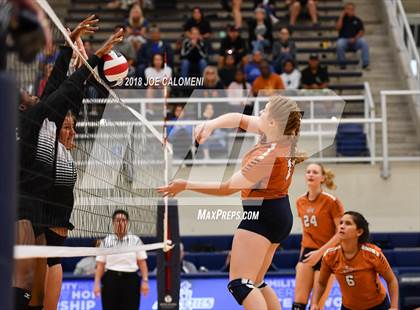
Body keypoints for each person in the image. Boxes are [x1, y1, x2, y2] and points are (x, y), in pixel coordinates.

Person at [14, 16, 121, 310]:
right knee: (23, 281)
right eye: (29, 94)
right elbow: (63, 93)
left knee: (34, 284)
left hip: (35, 205)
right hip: (22, 205)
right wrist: (95, 60)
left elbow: (54, 88)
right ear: (22, 106)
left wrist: (67, 47)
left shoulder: (37, 118)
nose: (34, 93)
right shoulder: (31, 120)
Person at [159, 95, 303, 309]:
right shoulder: (281, 135)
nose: (260, 112)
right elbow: (239, 119)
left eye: (264, 110)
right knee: (256, 282)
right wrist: (212, 124)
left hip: (263, 216)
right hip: (279, 213)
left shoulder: (267, 157)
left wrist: (185, 184)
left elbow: (227, 188)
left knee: (240, 284)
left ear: (273, 122)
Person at [310, 211, 399, 310]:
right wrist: (314, 303)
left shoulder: (372, 254)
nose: (342, 226)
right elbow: (321, 283)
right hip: (349, 307)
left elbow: (391, 280)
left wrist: (394, 307)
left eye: (348, 223)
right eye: (341, 223)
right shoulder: (330, 256)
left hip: (377, 306)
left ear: (359, 232)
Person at [293, 163, 344, 310]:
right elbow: (306, 232)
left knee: (316, 306)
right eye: (308, 172)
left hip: (328, 254)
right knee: (298, 304)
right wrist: (300, 259)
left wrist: (319, 253)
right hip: (308, 252)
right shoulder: (300, 201)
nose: (310, 174)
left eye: (315, 172)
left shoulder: (331, 201)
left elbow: (340, 233)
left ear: (322, 178)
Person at [94, 210, 149, 310]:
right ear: (113, 222)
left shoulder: (135, 240)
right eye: (118, 220)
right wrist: (96, 283)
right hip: (111, 279)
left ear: (127, 222)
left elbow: (142, 263)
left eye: (123, 220)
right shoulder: (106, 241)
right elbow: (100, 265)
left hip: (131, 279)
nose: (120, 223)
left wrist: (145, 281)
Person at [336, 2, 369, 70]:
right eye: (348, 9)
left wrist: (355, 38)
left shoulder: (358, 20)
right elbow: (338, 28)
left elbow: (361, 31)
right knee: (339, 43)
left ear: (354, 10)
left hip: (355, 40)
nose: (350, 10)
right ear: (345, 10)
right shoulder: (341, 19)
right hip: (344, 40)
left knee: (364, 42)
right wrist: (341, 16)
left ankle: (365, 64)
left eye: (352, 9)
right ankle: (342, 64)